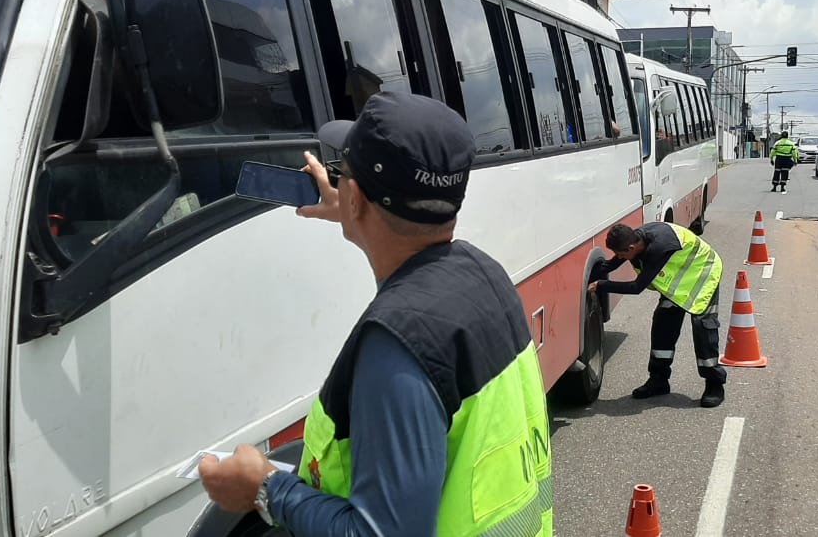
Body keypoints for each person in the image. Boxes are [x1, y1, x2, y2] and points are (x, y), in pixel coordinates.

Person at [197, 92, 552, 536]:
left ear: (357, 198)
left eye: (341, 172)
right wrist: (354, 210)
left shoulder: (397, 344)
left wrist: (266, 488)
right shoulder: (485, 275)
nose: (336, 179)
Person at [587, 222, 728, 408]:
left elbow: (637, 287)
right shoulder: (636, 240)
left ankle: (714, 384)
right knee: (663, 326)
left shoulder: (658, 248)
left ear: (631, 247)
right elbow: (613, 263)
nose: (620, 258)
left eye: (621, 254)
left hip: (703, 275)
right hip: (679, 283)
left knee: (703, 331)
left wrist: (602, 285)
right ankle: (659, 381)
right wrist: (590, 274)